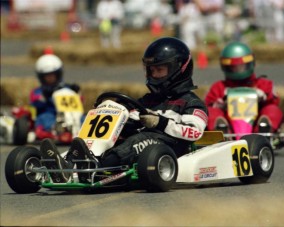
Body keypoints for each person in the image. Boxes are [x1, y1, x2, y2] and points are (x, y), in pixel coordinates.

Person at [40, 37, 208, 183]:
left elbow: (194, 132)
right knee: (118, 137)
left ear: (179, 69)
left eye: (160, 70)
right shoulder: (148, 100)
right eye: (151, 70)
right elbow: (132, 114)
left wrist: (160, 122)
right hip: (143, 143)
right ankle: (68, 163)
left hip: (171, 146)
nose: (154, 75)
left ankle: (97, 168)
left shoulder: (191, 102)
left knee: (135, 142)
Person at [205, 41, 284, 134]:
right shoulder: (219, 87)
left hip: (255, 125)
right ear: (226, 66)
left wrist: (264, 97)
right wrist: (219, 104)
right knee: (211, 112)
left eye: (241, 66)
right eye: (234, 67)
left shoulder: (264, 84)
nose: (238, 70)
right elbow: (207, 105)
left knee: (272, 109)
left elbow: (275, 101)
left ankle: (264, 128)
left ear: (250, 63)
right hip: (230, 127)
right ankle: (221, 130)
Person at [30, 53, 81, 141]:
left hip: (70, 114)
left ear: (58, 74)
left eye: (52, 75)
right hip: (51, 114)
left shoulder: (67, 88)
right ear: (41, 77)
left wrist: (76, 93)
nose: (50, 78)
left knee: (84, 118)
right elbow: (35, 102)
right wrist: (45, 96)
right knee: (45, 118)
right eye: (47, 76)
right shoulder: (39, 91)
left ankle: (81, 131)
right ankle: (56, 132)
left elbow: (80, 102)